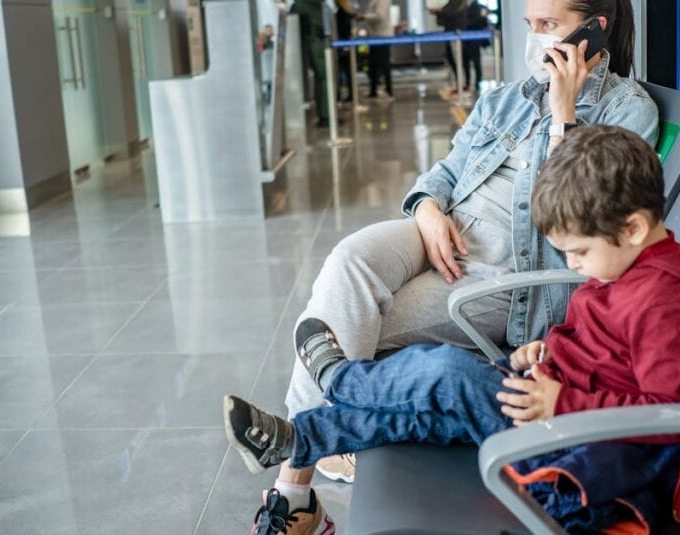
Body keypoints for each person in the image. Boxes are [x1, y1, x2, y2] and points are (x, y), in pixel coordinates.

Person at [245, 0, 658, 531]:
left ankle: (292, 493)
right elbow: (443, 171)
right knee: (349, 261)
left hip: (503, 277)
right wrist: (429, 209)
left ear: (595, 32)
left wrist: (563, 115)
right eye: (530, 26)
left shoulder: (628, 110)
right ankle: (313, 463)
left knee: (346, 325)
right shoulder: (506, 100)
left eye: (549, 27)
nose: (535, 41)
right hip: (441, 234)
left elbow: (576, 220)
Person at [226, 125, 680, 534]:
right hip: (550, 418)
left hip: (574, 459)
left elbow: (672, 414)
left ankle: (339, 380)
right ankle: (296, 440)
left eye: (579, 252)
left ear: (634, 228)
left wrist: (561, 404)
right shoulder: (626, 269)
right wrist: (543, 352)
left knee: (445, 372)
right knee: (421, 413)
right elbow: (605, 356)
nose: (575, 266)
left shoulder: (668, 301)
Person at [291, 0, 331, 128]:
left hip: (314, 41)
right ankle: (325, 114)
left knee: (323, 77)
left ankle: (325, 114)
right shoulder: (312, 5)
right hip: (316, 41)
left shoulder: (300, 5)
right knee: (324, 77)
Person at [360, 0, 394, 101]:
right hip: (374, 36)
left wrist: (364, 16)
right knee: (372, 65)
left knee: (384, 64)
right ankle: (373, 91)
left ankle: (389, 91)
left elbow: (379, 16)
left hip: (381, 36)